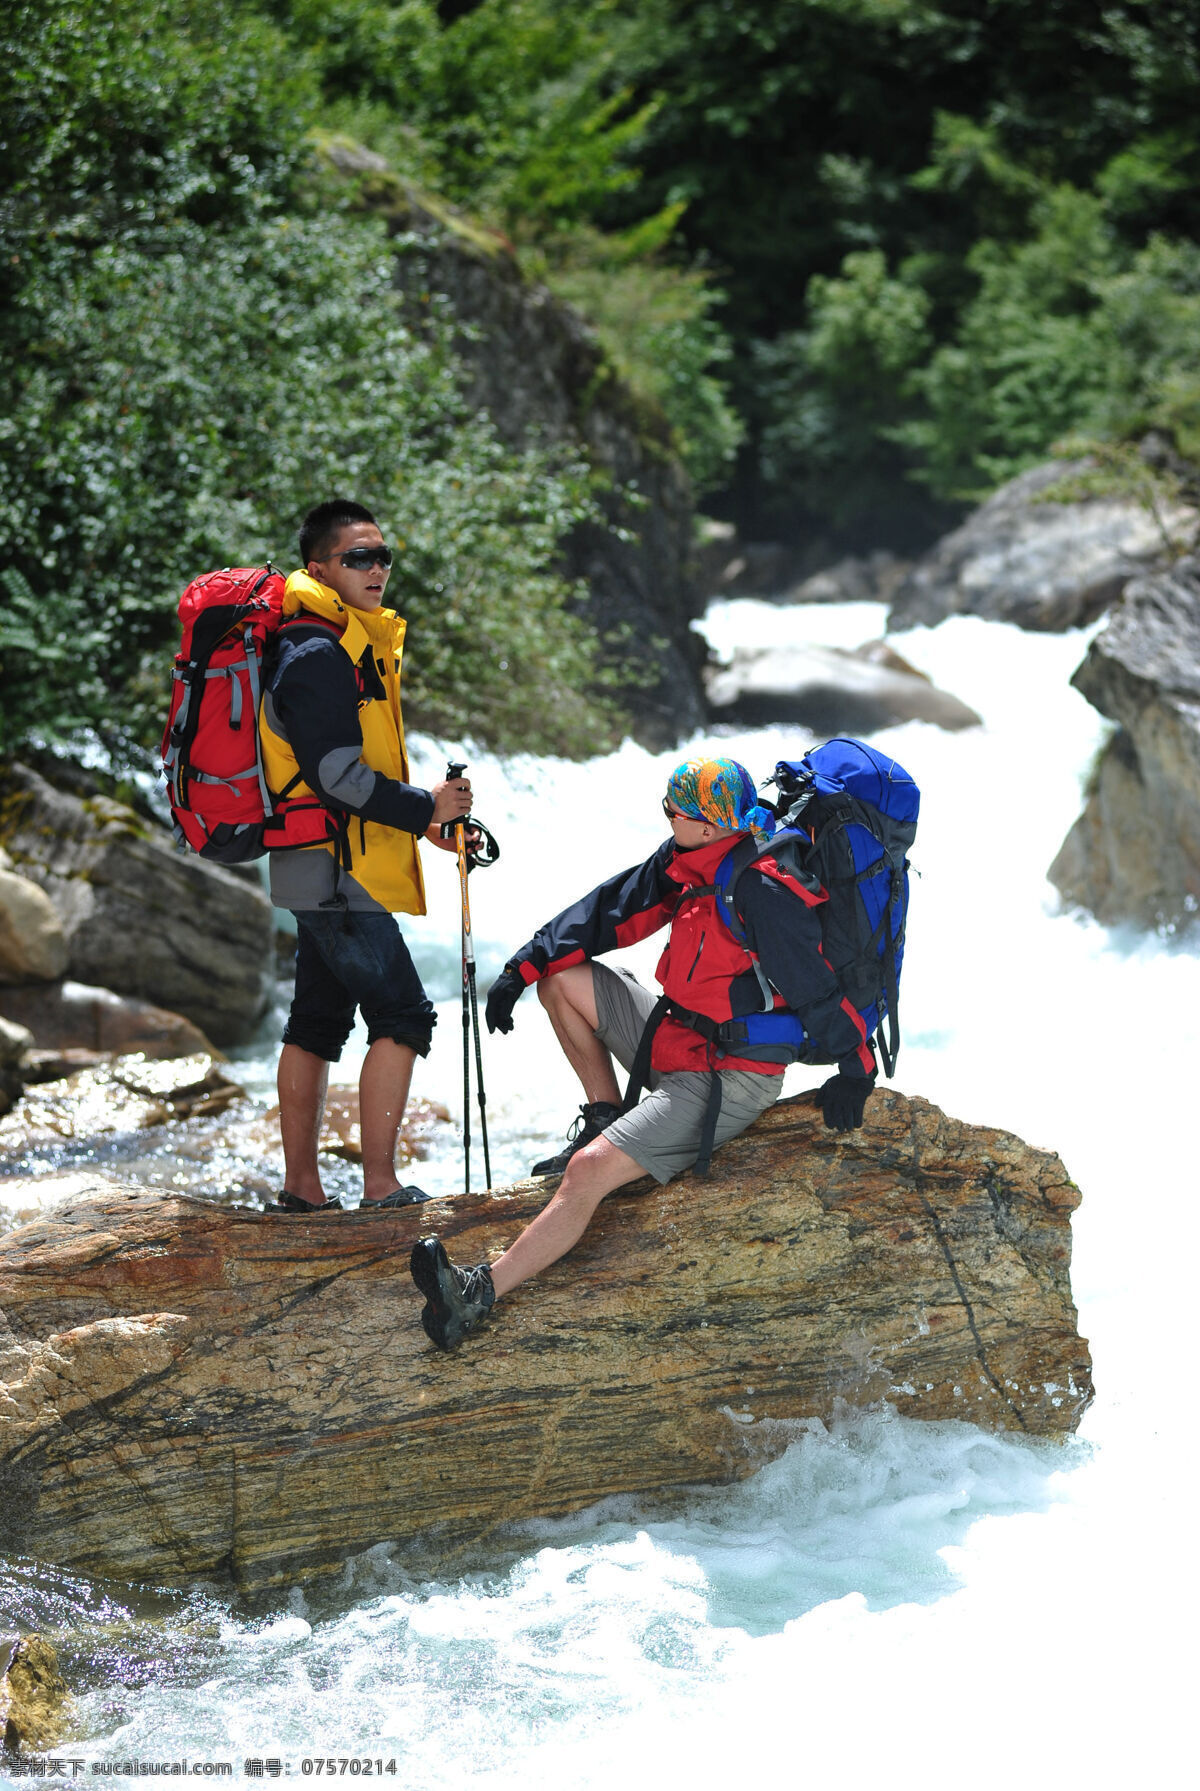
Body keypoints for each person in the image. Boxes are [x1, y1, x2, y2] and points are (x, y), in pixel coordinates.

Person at [409, 755, 877, 1347]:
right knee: (562, 980)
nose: (664, 819)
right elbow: (612, 910)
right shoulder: (686, 861)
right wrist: (523, 965)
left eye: (672, 812)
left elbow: (816, 990)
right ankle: (607, 1116)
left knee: (588, 1172)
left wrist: (856, 1070)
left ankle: (475, 1295)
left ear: (710, 826)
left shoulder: (759, 889)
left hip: (729, 1076)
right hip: (676, 1039)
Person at [259, 497, 472, 1213]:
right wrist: (426, 808)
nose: (376, 568)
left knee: (316, 1021)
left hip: (314, 862)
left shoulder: (329, 638)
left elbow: (343, 773)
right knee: (403, 1013)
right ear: (319, 566)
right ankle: (379, 1186)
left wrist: (424, 825)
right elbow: (337, 778)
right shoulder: (318, 653)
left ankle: (303, 1189)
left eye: (382, 556)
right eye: (359, 556)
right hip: (335, 867)